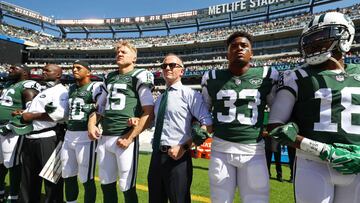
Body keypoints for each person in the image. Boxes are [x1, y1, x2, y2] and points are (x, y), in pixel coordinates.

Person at [267, 12, 360, 203]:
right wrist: (324, 150)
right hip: (313, 163)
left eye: (322, 37)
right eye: (311, 39)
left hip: (356, 163)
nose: (314, 44)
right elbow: (276, 127)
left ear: (345, 36)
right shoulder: (296, 76)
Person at [201, 31, 279, 203]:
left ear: (252, 53)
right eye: (234, 46)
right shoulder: (211, 77)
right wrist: (199, 127)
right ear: (227, 53)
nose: (239, 49)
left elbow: (277, 111)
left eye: (244, 46)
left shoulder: (267, 75)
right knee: (220, 200)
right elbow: (204, 112)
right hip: (221, 148)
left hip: (253, 150)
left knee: (256, 199)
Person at [88, 41, 154, 203]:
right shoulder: (110, 77)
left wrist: (130, 137)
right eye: (118, 52)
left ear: (134, 58)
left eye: (124, 52)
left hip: (124, 137)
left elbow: (148, 111)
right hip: (105, 137)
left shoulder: (140, 75)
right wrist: (91, 124)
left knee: (126, 186)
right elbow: (99, 108)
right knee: (106, 182)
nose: (120, 54)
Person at [147, 54, 212, 203]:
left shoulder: (191, 95)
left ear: (182, 71)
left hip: (178, 157)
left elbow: (207, 125)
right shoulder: (160, 99)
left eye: (172, 65)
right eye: (164, 66)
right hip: (156, 156)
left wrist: (184, 147)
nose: (168, 68)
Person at [18, 64, 68, 203]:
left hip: (47, 137)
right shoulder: (46, 89)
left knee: (51, 178)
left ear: (58, 74)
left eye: (47, 70)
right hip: (30, 136)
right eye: (43, 70)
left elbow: (61, 115)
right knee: (28, 178)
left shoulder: (60, 91)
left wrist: (32, 116)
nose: (43, 72)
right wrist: (24, 113)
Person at [61, 60, 102, 203]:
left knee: (86, 177)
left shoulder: (96, 86)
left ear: (88, 72)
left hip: (85, 136)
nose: (74, 70)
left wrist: (91, 108)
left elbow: (102, 106)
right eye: (73, 68)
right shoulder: (71, 88)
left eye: (79, 68)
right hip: (69, 134)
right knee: (67, 174)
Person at [0, 65, 40, 203]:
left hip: (13, 129)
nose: (9, 70)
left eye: (13, 68)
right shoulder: (10, 84)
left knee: (13, 163)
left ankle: (14, 196)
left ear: (24, 72)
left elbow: (31, 106)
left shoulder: (27, 84)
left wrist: (19, 117)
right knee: (1, 163)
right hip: (1, 128)